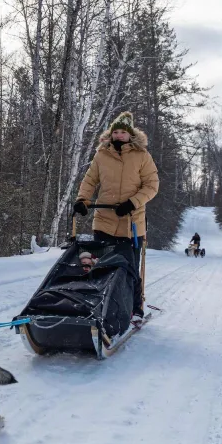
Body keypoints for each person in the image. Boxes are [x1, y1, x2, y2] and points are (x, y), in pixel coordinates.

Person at [73, 111, 159, 317]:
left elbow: (152, 185)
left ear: (131, 135)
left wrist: (132, 203)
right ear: (111, 134)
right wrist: (82, 201)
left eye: (123, 132)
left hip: (132, 224)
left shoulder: (142, 156)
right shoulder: (102, 155)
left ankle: (134, 307)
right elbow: (90, 180)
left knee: (128, 268)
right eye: (116, 132)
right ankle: (100, 306)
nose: (119, 135)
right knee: (100, 266)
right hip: (104, 221)